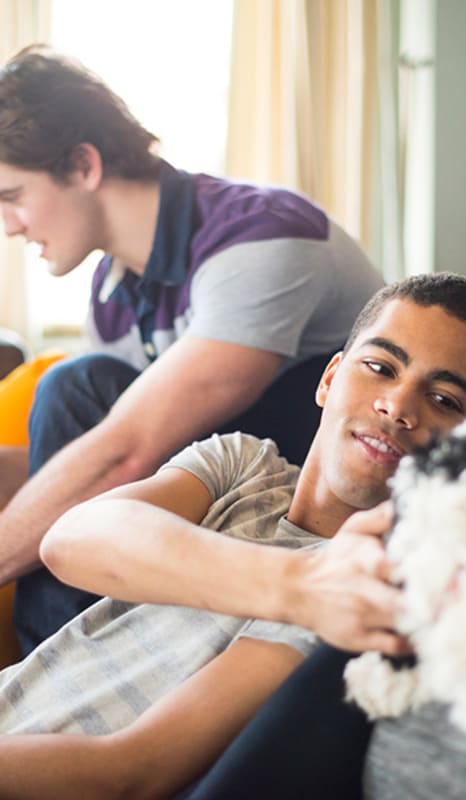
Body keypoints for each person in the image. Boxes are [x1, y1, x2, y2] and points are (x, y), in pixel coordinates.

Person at [0, 272, 466, 799]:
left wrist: (314, 590)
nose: (399, 407)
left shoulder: (358, 594)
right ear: (330, 379)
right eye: (380, 368)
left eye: (445, 400)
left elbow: (128, 773)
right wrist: (298, 582)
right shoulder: (243, 465)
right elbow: (70, 540)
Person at [0, 45, 384, 654]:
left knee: (73, 384)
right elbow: (81, 448)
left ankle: (49, 665)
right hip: (214, 481)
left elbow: (123, 454)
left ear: (82, 165)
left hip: (307, 494)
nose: (10, 225)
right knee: (76, 393)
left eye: (12, 195)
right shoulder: (112, 287)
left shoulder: (261, 238)